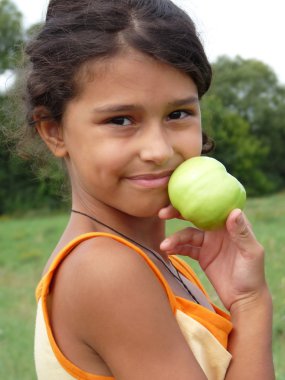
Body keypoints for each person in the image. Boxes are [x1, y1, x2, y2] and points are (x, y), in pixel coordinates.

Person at [22, 0, 274, 379]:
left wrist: (246, 298)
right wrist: (253, 306)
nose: (158, 151)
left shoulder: (154, 262)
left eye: (178, 114)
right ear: (54, 131)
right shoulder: (106, 270)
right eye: (120, 120)